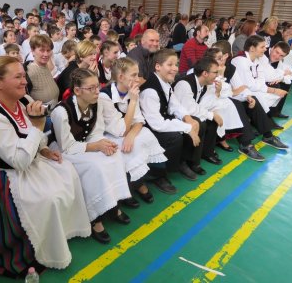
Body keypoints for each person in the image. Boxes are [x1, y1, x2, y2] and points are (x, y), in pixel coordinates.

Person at [0, 56, 90, 276]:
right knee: (48, 198)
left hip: (25, 163)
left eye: (24, 75)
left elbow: (29, 137)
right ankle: (33, 247)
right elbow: (18, 160)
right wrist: (38, 125)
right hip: (2, 177)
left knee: (67, 172)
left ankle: (56, 237)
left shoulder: (22, 101)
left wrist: (43, 149)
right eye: (18, 77)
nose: (25, 81)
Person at [50, 68, 131, 244]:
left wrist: (103, 144)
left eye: (98, 87)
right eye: (91, 88)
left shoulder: (98, 102)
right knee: (94, 167)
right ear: (77, 91)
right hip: (65, 151)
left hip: (86, 145)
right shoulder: (61, 112)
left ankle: (113, 204)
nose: (97, 91)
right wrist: (96, 146)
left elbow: (96, 131)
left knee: (115, 156)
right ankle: (95, 218)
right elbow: (67, 146)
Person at [99, 57, 166, 207]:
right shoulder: (105, 96)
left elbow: (139, 120)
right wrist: (134, 101)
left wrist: (131, 135)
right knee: (125, 149)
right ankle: (127, 189)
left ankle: (138, 182)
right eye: (134, 75)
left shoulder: (130, 91)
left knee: (143, 138)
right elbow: (119, 131)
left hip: (126, 131)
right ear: (121, 77)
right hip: (109, 134)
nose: (138, 78)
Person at [140, 49, 202, 193]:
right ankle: (158, 174)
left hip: (161, 119)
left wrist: (188, 119)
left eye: (176, 64)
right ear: (158, 66)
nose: (175, 68)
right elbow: (157, 124)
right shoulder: (150, 91)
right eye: (170, 64)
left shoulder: (165, 81)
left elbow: (174, 104)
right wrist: (187, 127)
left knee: (197, 122)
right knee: (174, 137)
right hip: (150, 127)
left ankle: (181, 161)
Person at [173, 56, 224, 166]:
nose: (217, 76)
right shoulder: (185, 84)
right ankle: (190, 161)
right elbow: (189, 108)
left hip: (187, 112)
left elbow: (206, 104)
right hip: (176, 115)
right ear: (205, 73)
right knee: (200, 122)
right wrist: (212, 115)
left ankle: (207, 152)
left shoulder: (204, 84)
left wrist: (217, 93)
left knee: (212, 120)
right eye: (215, 72)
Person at [26, 35, 60, 107]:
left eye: (48, 50)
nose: (46, 54)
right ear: (32, 50)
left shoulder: (45, 66)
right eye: (42, 50)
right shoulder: (29, 71)